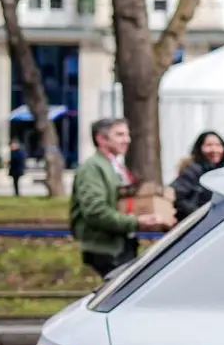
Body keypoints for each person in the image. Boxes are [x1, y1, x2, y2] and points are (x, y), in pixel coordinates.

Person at [71, 118, 168, 277]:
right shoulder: (93, 168)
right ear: (101, 139)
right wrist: (136, 222)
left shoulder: (114, 166)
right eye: (120, 135)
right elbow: (96, 212)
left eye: (127, 135)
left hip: (119, 245)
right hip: (105, 249)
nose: (127, 140)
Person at [169, 130, 224, 219]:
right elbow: (177, 198)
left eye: (218, 145)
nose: (214, 149)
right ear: (199, 148)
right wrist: (199, 214)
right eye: (209, 145)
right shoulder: (192, 170)